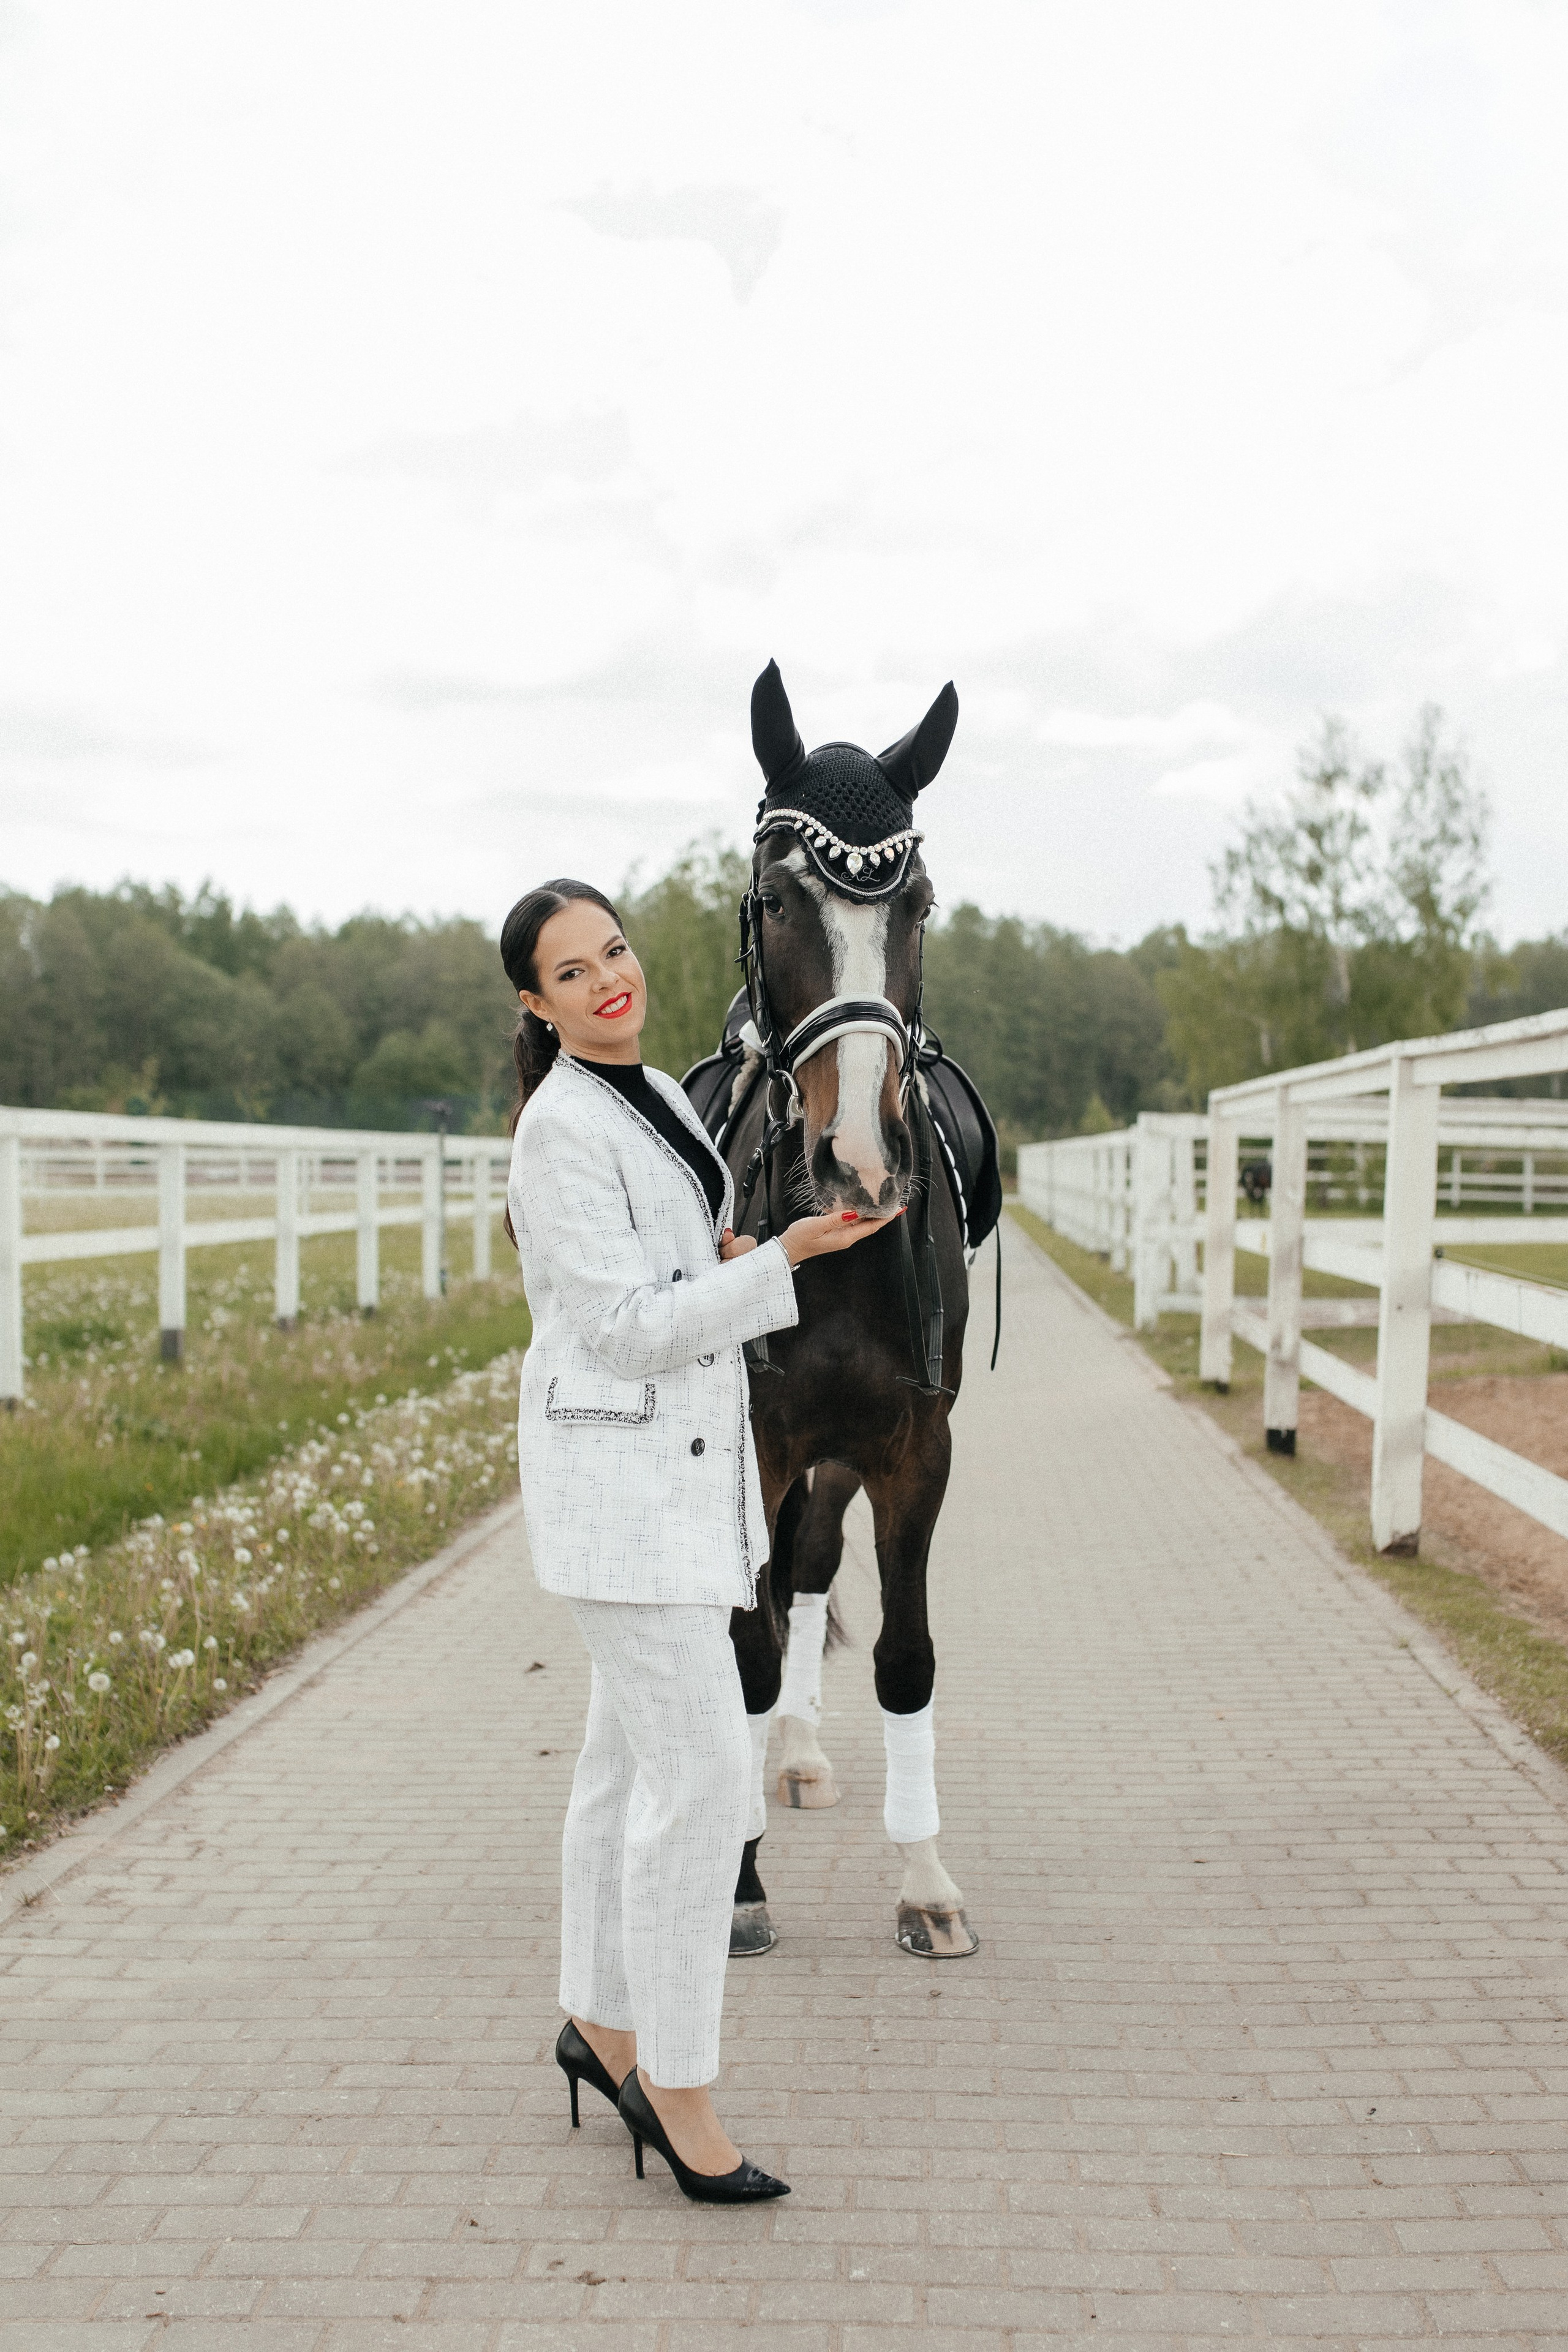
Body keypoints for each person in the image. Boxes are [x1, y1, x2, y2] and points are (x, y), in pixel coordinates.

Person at [500, 878, 889, 2204]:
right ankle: (676, 2088)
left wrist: (739, 1251)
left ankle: (598, 2024)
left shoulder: (656, 1090)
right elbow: (620, 1328)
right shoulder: (559, 1129)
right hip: (624, 1499)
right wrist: (778, 1263)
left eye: (612, 950)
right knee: (707, 1789)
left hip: (673, 1491)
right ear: (536, 1003)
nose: (608, 979)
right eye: (572, 973)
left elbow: (660, 1268)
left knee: (620, 1773)